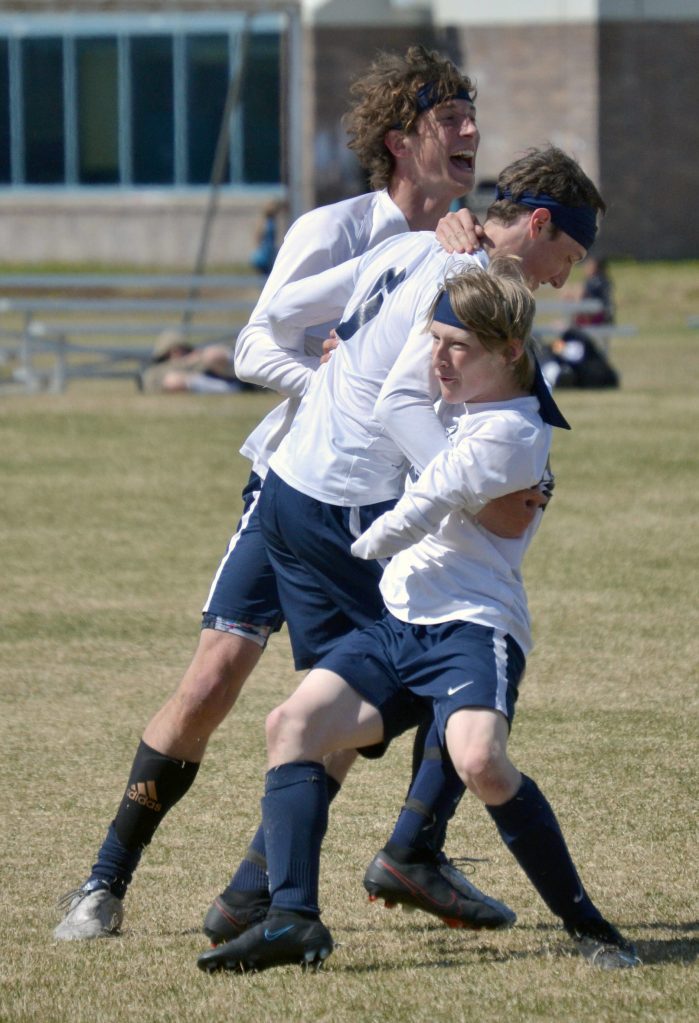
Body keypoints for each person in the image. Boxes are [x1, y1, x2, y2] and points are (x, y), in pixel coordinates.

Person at [53, 45, 506, 943]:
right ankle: (104, 880)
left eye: (469, 115)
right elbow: (257, 343)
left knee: (348, 698)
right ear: (397, 139)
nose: (467, 130)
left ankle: (257, 888)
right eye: (445, 118)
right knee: (213, 682)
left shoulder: (463, 238)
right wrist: (335, 390)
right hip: (291, 488)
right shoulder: (334, 229)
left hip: (380, 508)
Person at [197, 261, 640, 975]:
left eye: (455, 346)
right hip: (399, 622)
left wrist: (371, 538)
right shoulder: (445, 395)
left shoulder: (515, 432)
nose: (437, 357)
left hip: (471, 626)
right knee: (291, 725)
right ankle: (291, 918)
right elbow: (394, 391)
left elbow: (440, 486)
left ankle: (589, 925)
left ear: (510, 354)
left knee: (480, 760)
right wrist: (412, 302)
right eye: (433, 340)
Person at [139, 330, 244, 395]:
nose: (177, 354)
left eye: (181, 350)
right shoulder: (158, 370)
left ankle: (247, 375)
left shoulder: (200, 355)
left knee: (213, 355)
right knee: (173, 381)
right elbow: (154, 382)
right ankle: (235, 389)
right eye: (171, 352)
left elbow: (216, 356)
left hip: (231, 373)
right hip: (219, 385)